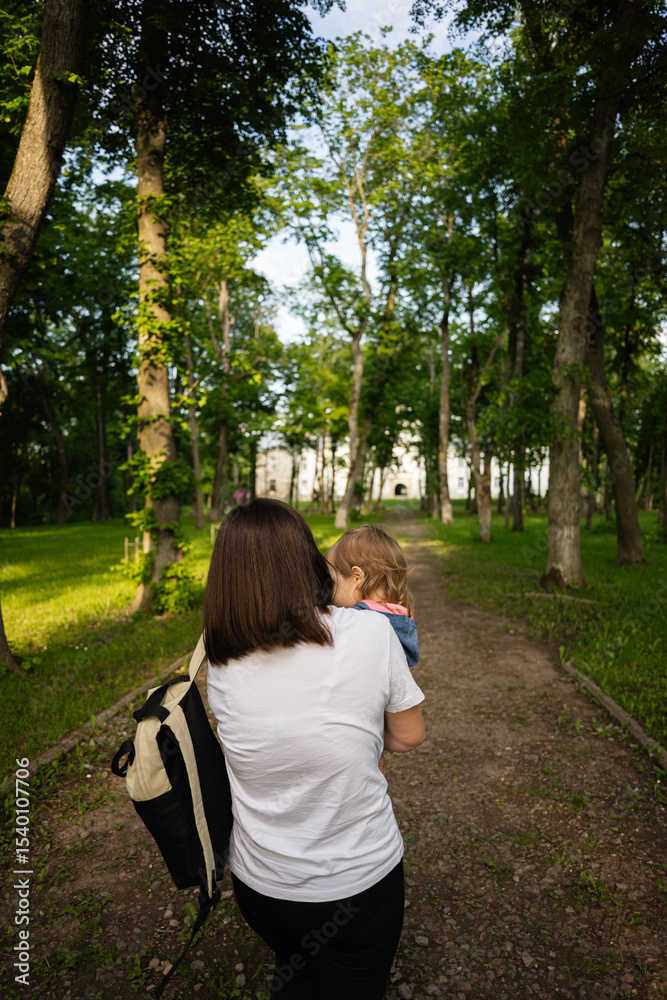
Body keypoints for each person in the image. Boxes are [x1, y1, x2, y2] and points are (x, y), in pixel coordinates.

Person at [204, 498, 425, 1000]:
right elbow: (410, 735)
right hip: (355, 889)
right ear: (304, 559)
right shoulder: (370, 630)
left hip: (260, 885)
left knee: (295, 971)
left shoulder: (219, 658)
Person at [326, 524, 419, 668]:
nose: (327, 590)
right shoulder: (401, 616)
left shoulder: (359, 619)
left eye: (331, 581)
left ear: (357, 577)